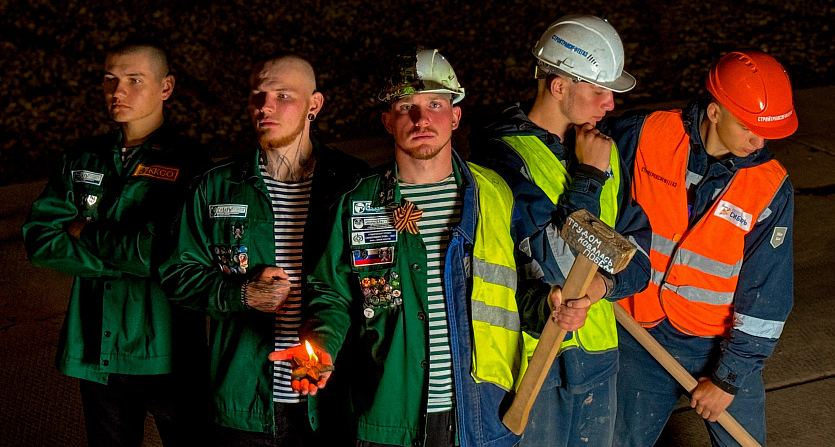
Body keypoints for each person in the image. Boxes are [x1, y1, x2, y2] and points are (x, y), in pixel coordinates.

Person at [271, 47, 550, 447]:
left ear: (455, 115)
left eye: (435, 104)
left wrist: (551, 305)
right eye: (406, 107)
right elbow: (330, 294)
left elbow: (520, 286)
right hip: (388, 417)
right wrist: (322, 347)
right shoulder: (358, 203)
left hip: (481, 413)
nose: (422, 119)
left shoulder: (493, 194)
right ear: (387, 120)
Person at [160, 54, 369, 446]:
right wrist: (241, 294)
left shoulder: (355, 184)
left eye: (283, 95)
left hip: (335, 400)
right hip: (244, 400)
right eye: (257, 95)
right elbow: (177, 273)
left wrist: (324, 342)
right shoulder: (216, 186)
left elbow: (375, 285)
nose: (265, 107)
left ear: (314, 104)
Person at [467, 15, 651, 445]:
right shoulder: (503, 158)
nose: (610, 104)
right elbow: (560, 264)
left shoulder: (603, 152)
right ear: (559, 86)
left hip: (597, 356)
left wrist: (599, 289)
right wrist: (588, 177)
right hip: (537, 361)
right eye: (599, 90)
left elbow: (641, 260)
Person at [22, 39, 212, 446]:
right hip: (97, 348)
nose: (117, 91)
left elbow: (158, 252)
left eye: (134, 80)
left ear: (166, 87)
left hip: (167, 351)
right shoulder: (82, 157)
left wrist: (87, 234)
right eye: (110, 79)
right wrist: (118, 259)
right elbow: (40, 238)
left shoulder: (190, 164)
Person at [603, 50, 797, 446]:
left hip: (718, 346)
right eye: (748, 127)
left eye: (765, 131)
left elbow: (767, 297)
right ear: (714, 112)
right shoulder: (644, 136)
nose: (758, 142)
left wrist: (728, 378)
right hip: (639, 335)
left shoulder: (769, 188)